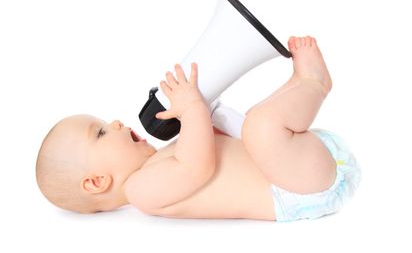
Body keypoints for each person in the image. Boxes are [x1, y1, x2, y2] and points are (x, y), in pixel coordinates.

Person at [36, 36, 361, 222]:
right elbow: (198, 166)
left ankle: (297, 85)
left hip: (297, 165)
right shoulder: (141, 191)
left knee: (253, 125)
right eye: (101, 132)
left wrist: (207, 113)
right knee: (260, 128)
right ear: (97, 182)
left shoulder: (158, 163)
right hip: (296, 187)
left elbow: (216, 149)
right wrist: (191, 108)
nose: (116, 123)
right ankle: (313, 84)